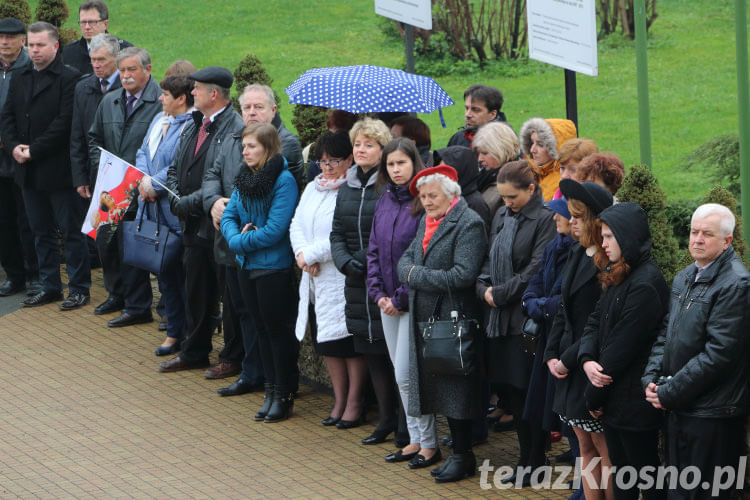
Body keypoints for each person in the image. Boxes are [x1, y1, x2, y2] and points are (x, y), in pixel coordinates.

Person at [643, 203, 750, 500]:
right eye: (693, 232)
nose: (697, 239)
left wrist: (670, 391)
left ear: (727, 241)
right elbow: (665, 333)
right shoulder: (684, 277)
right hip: (681, 408)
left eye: (707, 234)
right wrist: (652, 379)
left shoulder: (736, 284)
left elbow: (719, 354)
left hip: (713, 414)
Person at [398, 165, 488, 482]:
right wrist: (411, 273)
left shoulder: (469, 224)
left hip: (454, 320)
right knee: (442, 388)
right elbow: (404, 261)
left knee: (456, 390)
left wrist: (416, 277)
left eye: (432, 195)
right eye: (423, 196)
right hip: (428, 319)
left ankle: (464, 456)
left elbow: (462, 275)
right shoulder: (427, 221)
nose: (426, 201)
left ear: (451, 194)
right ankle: (457, 454)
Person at [577, 202, 668, 500]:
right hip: (614, 399)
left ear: (627, 237)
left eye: (609, 237)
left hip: (633, 402)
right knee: (622, 476)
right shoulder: (618, 274)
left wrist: (594, 394)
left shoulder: (646, 284)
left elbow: (621, 348)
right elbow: (594, 322)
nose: (603, 243)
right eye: (602, 236)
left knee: (646, 477)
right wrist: (587, 359)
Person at [158, 67, 246, 378]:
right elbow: (175, 167)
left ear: (214, 94)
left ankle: (232, 357)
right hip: (193, 227)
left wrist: (185, 203)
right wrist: (173, 194)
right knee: (195, 289)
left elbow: (221, 182)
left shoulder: (234, 129)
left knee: (228, 295)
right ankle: (194, 351)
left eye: (197, 89)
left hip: (219, 227)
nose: (191, 93)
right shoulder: (196, 123)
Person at [476, 160, 556, 485]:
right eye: (504, 197)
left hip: (523, 320)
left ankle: (536, 460)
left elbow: (537, 267)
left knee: (527, 395)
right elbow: (486, 256)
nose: (507, 203)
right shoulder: (501, 215)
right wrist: (484, 289)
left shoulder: (545, 219)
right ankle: (525, 457)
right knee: (510, 393)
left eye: (513, 197)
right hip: (497, 317)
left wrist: (501, 293)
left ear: (531, 190)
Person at [0, 22, 91, 309]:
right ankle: (50, 285)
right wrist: (13, 145)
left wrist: (33, 150)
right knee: (40, 231)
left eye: (40, 45)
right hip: (26, 170)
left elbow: (64, 123)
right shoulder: (21, 77)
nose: (34, 50)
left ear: (55, 46)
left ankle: (79, 287)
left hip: (59, 170)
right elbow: (8, 117)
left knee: (71, 230)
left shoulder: (69, 78)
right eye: (31, 44)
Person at [366, 138, 439, 468]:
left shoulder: (422, 202)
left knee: (411, 375)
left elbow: (424, 256)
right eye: (390, 165)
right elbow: (374, 251)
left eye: (402, 163)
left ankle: (429, 442)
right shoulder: (383, 200)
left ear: (415, 164)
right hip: (386, 303)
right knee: (399, 373)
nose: (396, 170)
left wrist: (399, 298)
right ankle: (413, 439)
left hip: (414, 302)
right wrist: (378, 293)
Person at [221, 122, 298, 422]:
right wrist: (235, 238)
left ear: (267, 148)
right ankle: (269, 389)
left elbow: (276, 230)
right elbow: (229, 214)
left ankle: (284, 394)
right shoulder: (245, 178)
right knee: (260, 329)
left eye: (251, 146)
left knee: (278, 333)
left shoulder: (284, 180)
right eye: (243, 146)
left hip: (272, 268)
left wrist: (239, 241)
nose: (245, 150)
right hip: (247, 265)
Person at [544, 179, 614, 500]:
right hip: (567, 368)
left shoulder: (607, 263)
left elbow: (596, 323)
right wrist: (550, 354)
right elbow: (562, 309)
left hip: (588, 365)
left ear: (596, 220)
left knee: (604, 449)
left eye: (578, 215)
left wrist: (567, 358)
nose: (570, 220)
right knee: (583, 446)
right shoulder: (575, 252)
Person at [290, 131, 365, 426]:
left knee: (347, 341)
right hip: (314, 276)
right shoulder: (313, 188)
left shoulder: (352, 190)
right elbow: (297, 224)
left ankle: (355, 400)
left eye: (334, 161)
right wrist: (301, 254)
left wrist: (311, 256)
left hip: (339, 274)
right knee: (326, 341)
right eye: (322, 161)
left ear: (349, 159)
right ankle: (339, 397)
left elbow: (345, 234)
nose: (327, 167)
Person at [330, 118, 398, 442]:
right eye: (357, 144)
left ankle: (403, 424)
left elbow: (385, 235)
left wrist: (361, 261)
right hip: (355, 282)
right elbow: (337, 233)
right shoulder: (348, 184)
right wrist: (345, 262)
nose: (360, 150)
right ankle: (385, 420)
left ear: (382, 149)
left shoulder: (388, 186)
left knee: (391, 355)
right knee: (371, 353)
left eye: (368, 144)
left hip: (381, 281)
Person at [88, 46, 162, 326]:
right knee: (106, 242)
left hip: (140, 190)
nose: (126, 76)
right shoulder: (110, 100)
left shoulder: (158, 103)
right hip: (111, 187)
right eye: (122, 70)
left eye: (132, 69)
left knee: (132, 247)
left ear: (148, 70)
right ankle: (116, 295)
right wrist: (102, 168)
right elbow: (94, 138)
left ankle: (137, 306)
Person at [134, 74, 194, 356]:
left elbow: (178, 164)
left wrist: (153, 185)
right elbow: (142, 151)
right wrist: (143, 180)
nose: (160, 99)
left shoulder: (191, 126)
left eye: (165, 95)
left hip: (174, 214)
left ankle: (189, 334)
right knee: (165, 275)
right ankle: (173, 331)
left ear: (181, 99)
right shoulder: (159, 120)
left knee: (184, 277)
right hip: (153, 210)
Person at [520, 197, 575, 450]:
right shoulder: (555, 245)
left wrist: (538, 306)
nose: (555, 218)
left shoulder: (577, 252)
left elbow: (562, 300)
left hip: (565, 337)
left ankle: (585, 482)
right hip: (548, 333)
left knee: (574, 417)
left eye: (560, 214)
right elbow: (537, 280)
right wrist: (532, 301)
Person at [0, 17, 38, 297]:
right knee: (4, 221)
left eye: (10, 37)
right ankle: (14, 276)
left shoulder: (31, 68)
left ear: (22, 40)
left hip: (23, 156)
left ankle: (35, 274)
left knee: (29, 220)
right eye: (1, 37)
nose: (4, 42)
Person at [238, 84, 303, 185]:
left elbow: (263, 185)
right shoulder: (233, 137)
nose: (251, 112)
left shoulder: (287, 143)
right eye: (246, 107)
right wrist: (215, 198)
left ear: (273, 110)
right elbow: (213, 173)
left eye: (259, 107)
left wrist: (233, 199)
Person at [62, 0, 130, 75]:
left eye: (92, 22)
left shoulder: (124, 51)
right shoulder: (68, 53)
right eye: (83, 22)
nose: (87, 27)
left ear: (105, 24)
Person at [519, 118, 577, 202]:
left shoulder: (561, 183)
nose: (532, 150)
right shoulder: (531, 172)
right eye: (532, 143)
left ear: (556, 147)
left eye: (540, 144)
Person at [472, 121, 521, 218]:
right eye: (479, 153)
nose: (479, 159)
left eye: (485, 153)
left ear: (501, 151)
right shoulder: (486, 175)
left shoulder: (516, 181)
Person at [434, 146, 491, 226]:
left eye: (445, 171)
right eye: (438, 171)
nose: (439, 176)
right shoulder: (442, 196)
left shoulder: (475, 204)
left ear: (460, 172)